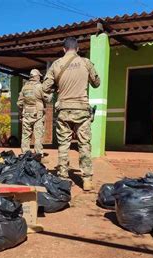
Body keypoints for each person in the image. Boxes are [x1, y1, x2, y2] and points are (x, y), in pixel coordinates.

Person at [42, 37, 100, 191]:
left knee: (63, 144)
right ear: (78, 48)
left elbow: (45, 87)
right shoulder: (86, 63)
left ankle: (63, 177)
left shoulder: (56, 64)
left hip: (64, 111)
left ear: (63, 49)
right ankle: (86, 179)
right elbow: (97, 83)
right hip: (82, 110)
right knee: (84, 144)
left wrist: (57, 86)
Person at [17, 69, 52, 159]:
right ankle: (38, 154)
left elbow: (19, 103)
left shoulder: (24, 87)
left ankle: (25, 153)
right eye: (39, 76)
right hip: (38, 114)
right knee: (38, 135)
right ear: (36, 76)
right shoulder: (40, 87)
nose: (40, 78)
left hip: (26, 114)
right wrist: (51, 92)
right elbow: (48, 100)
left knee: (25, 135)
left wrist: (21, 113)